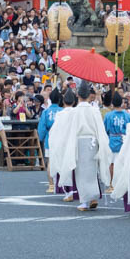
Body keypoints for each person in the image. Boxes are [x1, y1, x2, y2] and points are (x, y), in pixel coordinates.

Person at [49, 83, 112, 212]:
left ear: (78, 95)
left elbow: (70, 130)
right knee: (92, 171)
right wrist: (103, 144)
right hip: (93, 142)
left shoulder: (75, 111)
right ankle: (93, 196)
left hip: (78, 142)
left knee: (81, 172)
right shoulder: (94, 110)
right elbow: (100, 129)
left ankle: (84, 201)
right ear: (89, 96)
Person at [103, 92, 130, 193]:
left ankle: (111, 184)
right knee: (123, 163)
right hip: (124, 141)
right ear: (122, 103)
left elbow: (105, 129)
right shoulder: (127, 115)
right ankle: (122, 184)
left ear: (112, 103)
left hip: (112, 141)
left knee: (112, 164)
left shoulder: (108, 115)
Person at [36, 89, 64, 193]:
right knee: (62, 162)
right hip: (62, 138)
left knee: (50, 162)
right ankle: (62, 184)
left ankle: (51, 185)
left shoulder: (46, 111)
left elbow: (42, 128)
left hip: (50, 137)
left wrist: (41, 138)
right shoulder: (63, 111)